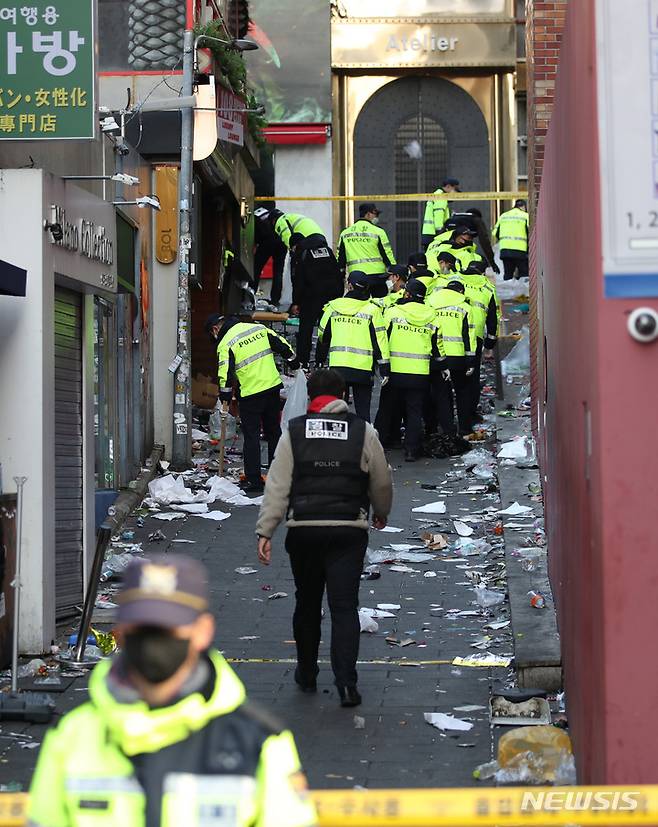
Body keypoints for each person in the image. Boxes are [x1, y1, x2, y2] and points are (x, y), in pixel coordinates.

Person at [28, 555, 317, 827]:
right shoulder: (73, 736)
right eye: (144, 628)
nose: (154, 640)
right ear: (122, 630)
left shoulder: (259, 742)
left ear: (203, 631)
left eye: (168, 628)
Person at [255, 369, 393, 707]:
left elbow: (277, 484)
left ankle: (306, 673)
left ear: (310, 396)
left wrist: (266, 530)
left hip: (304, 529)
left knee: (307, 604)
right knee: (344, 606)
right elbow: (381, 479)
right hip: (348, 530)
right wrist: (381, 510)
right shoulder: (364, 431)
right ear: (343, 395)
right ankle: (347, 683)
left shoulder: (294, 432)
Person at [206, 313, 297, 493]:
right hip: (272, 388)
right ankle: (278, 475)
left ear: (215, 329)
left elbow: (225, 373)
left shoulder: (226, 343)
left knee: (252, 436)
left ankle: (254, 480)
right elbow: (282, 344)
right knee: (273, 432)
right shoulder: (258, 328)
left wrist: (225, 397)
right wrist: (293, 362)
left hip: (250, 394)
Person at [267, 209, 343, 366]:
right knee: (325, 331)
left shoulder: (302, 254)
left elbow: (299, 281)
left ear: (295, 245)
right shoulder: (327, 250)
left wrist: (296, 303)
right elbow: (337, 274)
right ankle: (321, 362)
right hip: (331, 298)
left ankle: (304, 362)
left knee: (306, 330)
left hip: (311, 297)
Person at [379, 278, 443, 462]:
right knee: (414, 411)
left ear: (407, 294)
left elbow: (383, 338)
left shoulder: (392, 312)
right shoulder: (432, 315)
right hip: (419, 373)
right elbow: (437, 345)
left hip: (395, 371)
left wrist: (383, 365)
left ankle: (380, 444)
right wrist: (442, 366)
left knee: (386, 408)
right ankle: (411, 450)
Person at [315, 271, 390, 422]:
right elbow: (380, 341)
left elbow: (322, 336)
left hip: (338, 368)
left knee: (336, 412)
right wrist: (384, 369)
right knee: (363, 413)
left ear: (349, 285)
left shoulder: (333, 306)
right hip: (363, 369)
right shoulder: (373, 310)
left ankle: (339, 443)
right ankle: (363, 443)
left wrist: (319, 361)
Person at [427, 280, 477, 443]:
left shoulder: (431, 303)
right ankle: (464, 427)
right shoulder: (465, 307)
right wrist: (471, 360)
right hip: (458, 357)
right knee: (462, 392)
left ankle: (447, 429)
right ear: (461, 292)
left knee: (441, 394)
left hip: (437, 357)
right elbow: (469, 336)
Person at [458, 258, 500, 422]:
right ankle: (469, 415)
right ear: (483, 273)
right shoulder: (488, 288)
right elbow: (493, 317)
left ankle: (458, 417)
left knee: (454, 379)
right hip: (475, 338)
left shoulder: (455, 281)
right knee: (472, 378)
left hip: (452, 336)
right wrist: (491, 340)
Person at [337, 203, 396, 299]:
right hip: (377, 277)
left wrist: (341, 276)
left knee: (359, 305)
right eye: (375, 214)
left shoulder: (345, 233)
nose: (377, 217)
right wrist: (394, 270)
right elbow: (387, 254)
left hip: (356, 277)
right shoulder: (378, 231)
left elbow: (340, 259)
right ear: (368, 214)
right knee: (380, 305)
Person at [444, 208, 499, 274]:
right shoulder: (476, 219)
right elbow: (484, 241)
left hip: (446, 245)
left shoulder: (454, 218)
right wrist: (492, 262)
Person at [254, 206, 287, 306]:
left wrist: (257, 243)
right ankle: (275, 300)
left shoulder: (256, 216)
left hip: (266, 242)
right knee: (278, 272)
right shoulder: (275, 215)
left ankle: (251, 294)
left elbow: (256, 236)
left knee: (256, 269)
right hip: (281, 242)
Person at [492, 199, 529, 280]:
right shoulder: (525, 216)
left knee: (508, 274)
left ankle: (507, 290)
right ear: (523, 206)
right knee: (524, 273)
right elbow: (530, 232)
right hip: (520, 249)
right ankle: (525, 292)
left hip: (505, 250)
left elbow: (495, 232)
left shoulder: (503, 216)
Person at [421, 177, 460, 249]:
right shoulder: (441, 197)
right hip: (435, 236)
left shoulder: (437, 195)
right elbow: (438, 215)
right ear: (448, 186)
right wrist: (441, 233)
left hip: (430, 234)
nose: (456, 193)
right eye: (455, 189)